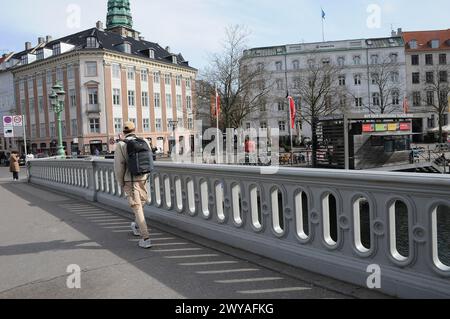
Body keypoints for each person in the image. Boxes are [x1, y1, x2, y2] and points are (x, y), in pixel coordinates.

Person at [114, 121, 153, 249]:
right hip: (143, 178)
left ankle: (145, 238)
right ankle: (136, 226)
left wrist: (120, 182)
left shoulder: (121, 144)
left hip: (130, 180)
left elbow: (119, 166)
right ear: (134, 129)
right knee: (141, 203)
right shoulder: (145, 141)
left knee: (137, 207)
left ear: (123, 132)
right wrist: (146, 176)